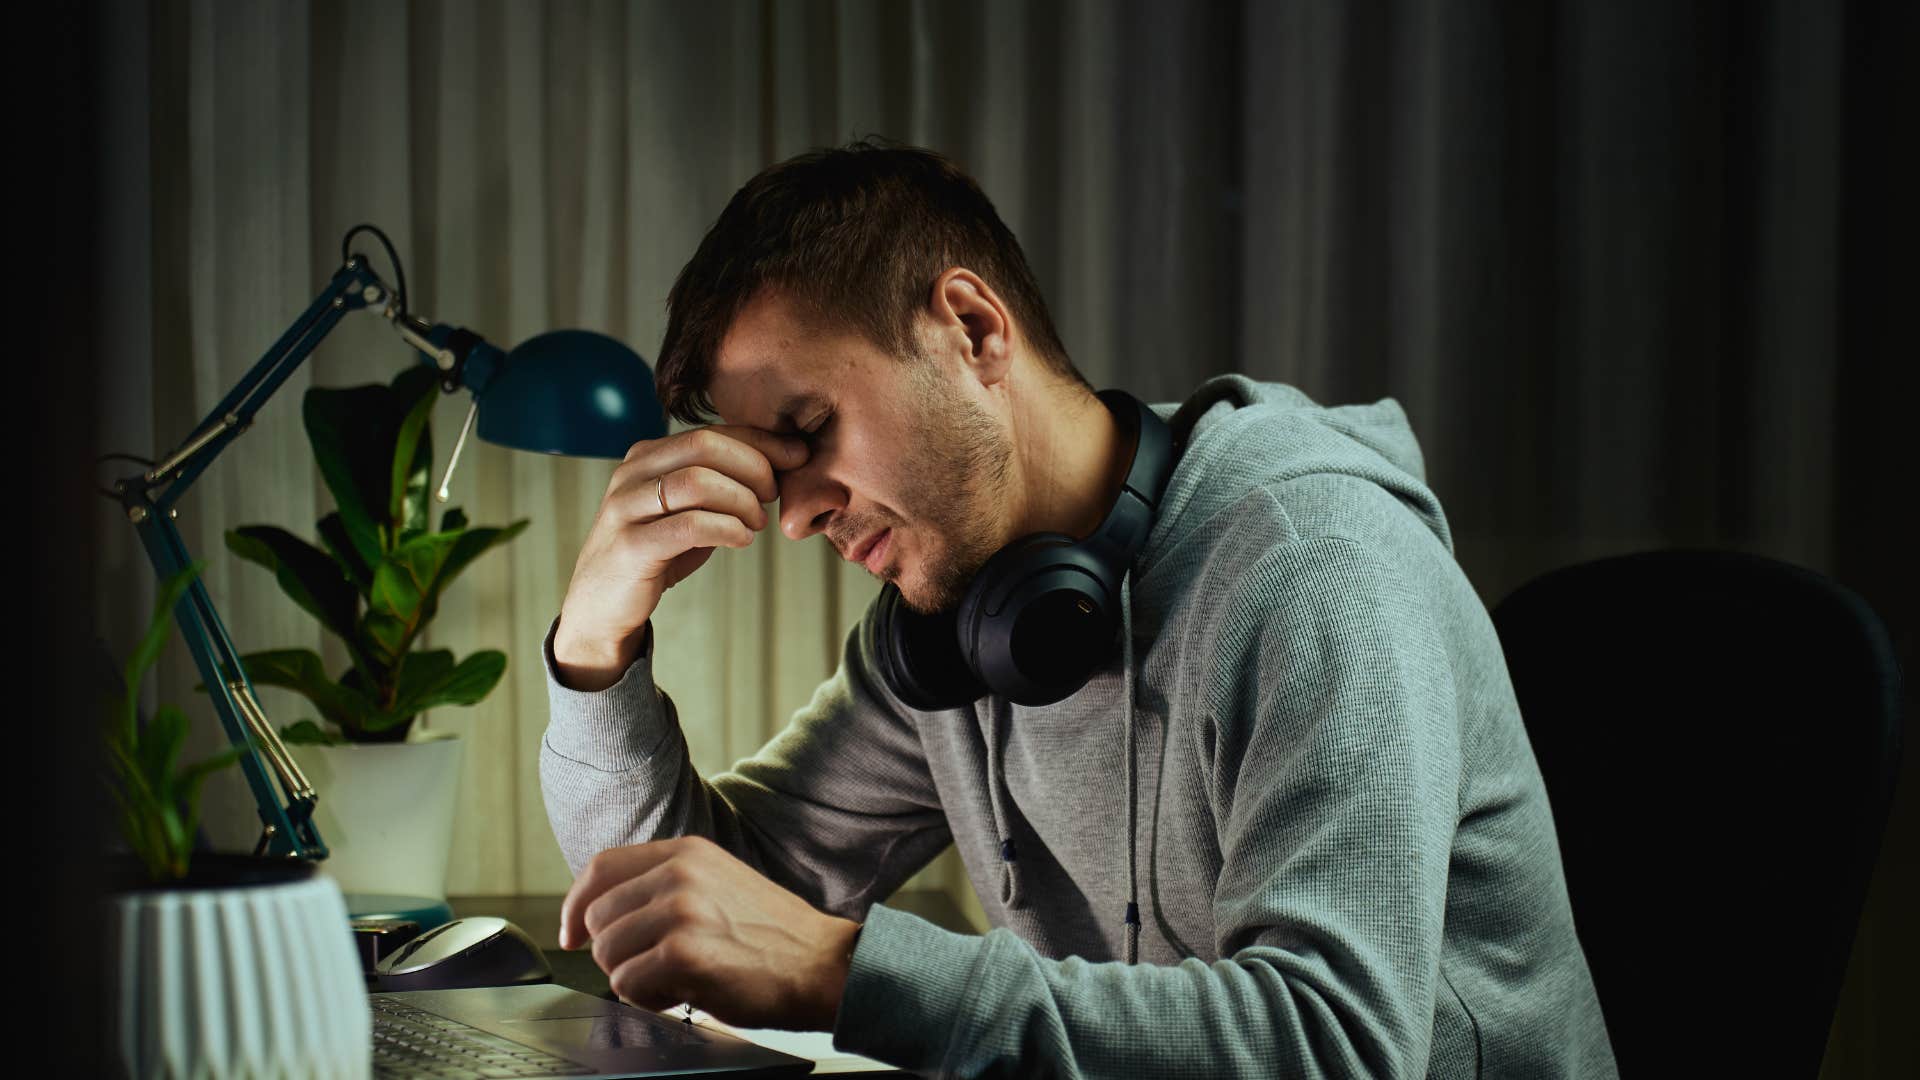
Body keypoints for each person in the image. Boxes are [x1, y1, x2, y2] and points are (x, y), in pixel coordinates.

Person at [539, 139, 1618, 1078]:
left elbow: (1336, 1044)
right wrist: (596, 643)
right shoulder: (953, 624)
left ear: (971, 329)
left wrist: (840, 969)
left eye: (811, 428)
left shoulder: (1315, 568)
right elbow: (691, 904)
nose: (793, 517)